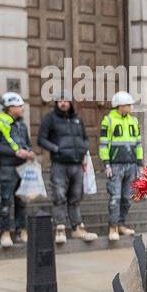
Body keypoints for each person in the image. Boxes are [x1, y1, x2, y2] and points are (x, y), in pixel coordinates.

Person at [37, 96, 98, 245]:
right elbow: (41, 139)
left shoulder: (77, 119)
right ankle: (60, 229)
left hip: (76, 164)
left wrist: (83, 149)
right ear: (56, 103)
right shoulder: (50, 118)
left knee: (76, 197)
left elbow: (84, 138)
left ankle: (77, 228)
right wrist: (56, 149)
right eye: (59, 101)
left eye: (65, 100)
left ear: (71, 102)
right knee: (59, 196)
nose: (63, 103)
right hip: (59, 164)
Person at [0, 92, 37, 248]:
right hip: (7, 167)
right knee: (6, 200)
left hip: (23, 167)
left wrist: (29, 152)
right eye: (19, 106)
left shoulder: (22, 124)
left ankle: (21, 230)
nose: (22, 108)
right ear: (10, 107)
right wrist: (15, 152)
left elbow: (26, 142)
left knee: (22, 201)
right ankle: (5, 232)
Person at [100, 91, 144, 242]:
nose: (132, 107)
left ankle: (121, 224)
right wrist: (106, 164)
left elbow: (138, 143)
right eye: (129, 105)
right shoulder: (109, 121)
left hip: (131, 165)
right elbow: (104, 144)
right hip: (115, 165)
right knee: (115, 197)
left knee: (127, 198)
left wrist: (140, 164)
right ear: (120, 106)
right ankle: (112, 227)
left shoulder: (134, 121)